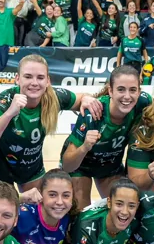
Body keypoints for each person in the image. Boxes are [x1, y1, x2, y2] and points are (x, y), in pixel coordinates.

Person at [0, 53, 102, 191]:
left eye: (40, 77)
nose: (34, 83)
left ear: (48, 81)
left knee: (37, 209)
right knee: (4, 208)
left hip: (31, 169)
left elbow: (80, 98)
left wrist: (86, 98)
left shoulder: (53, 97)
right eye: (28, 76)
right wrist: (10, 113)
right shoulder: (3, 101)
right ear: (17, 79)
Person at [61, 65, 149, 210]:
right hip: (81, 166)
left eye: (133, 90)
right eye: (121, 89)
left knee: (123, 208)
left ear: (139, 92)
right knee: (81, 214)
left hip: (110, 166)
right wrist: (84, 147)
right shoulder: (94, 113)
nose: (127, 96)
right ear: (110, 91)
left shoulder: (143, 103)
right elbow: (67, 165)